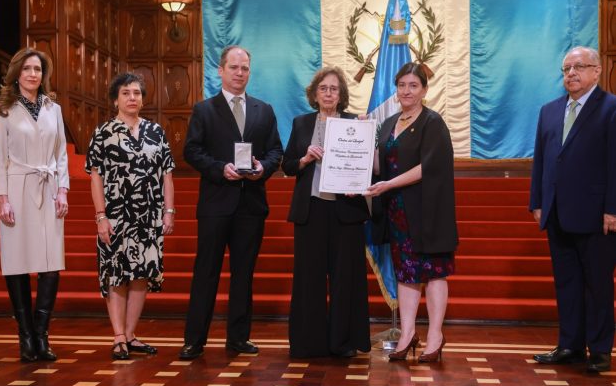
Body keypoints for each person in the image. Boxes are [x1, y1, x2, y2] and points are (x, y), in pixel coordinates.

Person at [179, 45, 283, 360]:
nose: (240, 73)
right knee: (205, 272)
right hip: (215, 203)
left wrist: (263, 167)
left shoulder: (264, 110)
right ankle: (194, 340)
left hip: (250, 204)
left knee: (243, 274)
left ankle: (238, 338)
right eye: (234, 67)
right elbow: (191, 151)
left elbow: (276, 152)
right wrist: (218, 168)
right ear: (220, 70)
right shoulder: (204, 110)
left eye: (245, 68)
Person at [530, 46, 616, 373]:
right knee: (566, 283)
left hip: (596, 215)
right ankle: (569, 345)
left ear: (597, 71)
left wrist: (613, 209)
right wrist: (536, 201)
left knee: (598, 284)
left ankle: (600, 349)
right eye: (566, 68)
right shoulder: (549, 111)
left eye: (579, 66)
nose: (571, 73)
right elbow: (542, 160)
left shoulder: (610, 108)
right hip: (557, 212)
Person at [365, 62, 457, 363]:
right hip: (397, 212)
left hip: (428, 210)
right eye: (402, 85)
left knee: (432, 273)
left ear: (424, 90)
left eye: (413, 85)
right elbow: (381, 166)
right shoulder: (390, 122)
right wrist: (360, 143)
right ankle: (407, 333)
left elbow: (428, 167)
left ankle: (434, 335)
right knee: (406, 273)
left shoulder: (433, 122)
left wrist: (388, 183)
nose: (406, 91)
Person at [281, 66, 371, 358]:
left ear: (341, 94)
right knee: (310, 278)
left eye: (334, 88)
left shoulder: (355, 123)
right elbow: (288, 165)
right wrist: (305, 158)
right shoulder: (301, 123)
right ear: (315, 94)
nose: (329, 93)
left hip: (345, 211)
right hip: (312, 210)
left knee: (346, 278)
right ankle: (310, 343)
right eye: (324, 88)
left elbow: (366, 166)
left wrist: (365, 139)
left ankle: (342, 342)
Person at [86, 72, 175, 360]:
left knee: (141, 276)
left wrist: (169, 212)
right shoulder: (103, 133)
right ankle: (118, 336)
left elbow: (167, 176)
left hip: (148, 216)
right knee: (116, 273)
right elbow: (96, 177)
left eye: (136, 93)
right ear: (116, 99)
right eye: (126, 93)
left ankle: (132, 334)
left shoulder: (156, 132)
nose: (132, 97)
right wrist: (100, 216)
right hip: (116, 215)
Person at [0, 48, 69, 362]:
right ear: (16, 74)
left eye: (37, 69)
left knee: (51, 265)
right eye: (27, 69)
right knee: (18, 261)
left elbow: (61, 153)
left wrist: (62, 190)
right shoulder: (3, 111)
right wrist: (2, 200)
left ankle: (41, 333)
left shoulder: (54, 109)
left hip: (48, 187)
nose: (33, 74)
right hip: (17, 187)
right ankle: (25, 337)